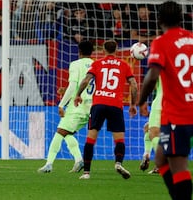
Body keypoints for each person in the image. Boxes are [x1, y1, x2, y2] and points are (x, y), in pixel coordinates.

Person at [138, 1, 193, 200]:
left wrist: (141, 101)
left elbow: (152, 76)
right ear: (181, 18)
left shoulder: (161, 42)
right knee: (161, 157)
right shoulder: (192, 39)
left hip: (179, 114)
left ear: (159, 20)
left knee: (178, 166)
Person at [74, 39, 138, 180]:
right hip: (115, 105)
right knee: (119, 139)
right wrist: (133, 104)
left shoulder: (97, 63)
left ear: (103, 50)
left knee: (91, 138)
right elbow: (134, 84)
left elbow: (86, 80)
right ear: (116, 49)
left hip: (99, 104)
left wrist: (78, 95)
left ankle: (86, 173)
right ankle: (118, 163)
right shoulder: (124, 65)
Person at [38, 41, 94, 173]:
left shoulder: (75, 64)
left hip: (77, 105)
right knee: (68, 133)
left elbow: (74, 85)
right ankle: (79, 160)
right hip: (92, 106)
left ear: (79, 51)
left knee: (60, 132)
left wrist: (61, 104)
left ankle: (49, 164)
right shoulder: (95, 64)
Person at [139, 78, 162, 174]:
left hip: (161, 103)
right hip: (182, 103)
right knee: (147, 128)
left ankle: (163, 163)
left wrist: (142, 100)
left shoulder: (162, 65)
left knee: (153, 132)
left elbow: (151, 80)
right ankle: (147, 154)